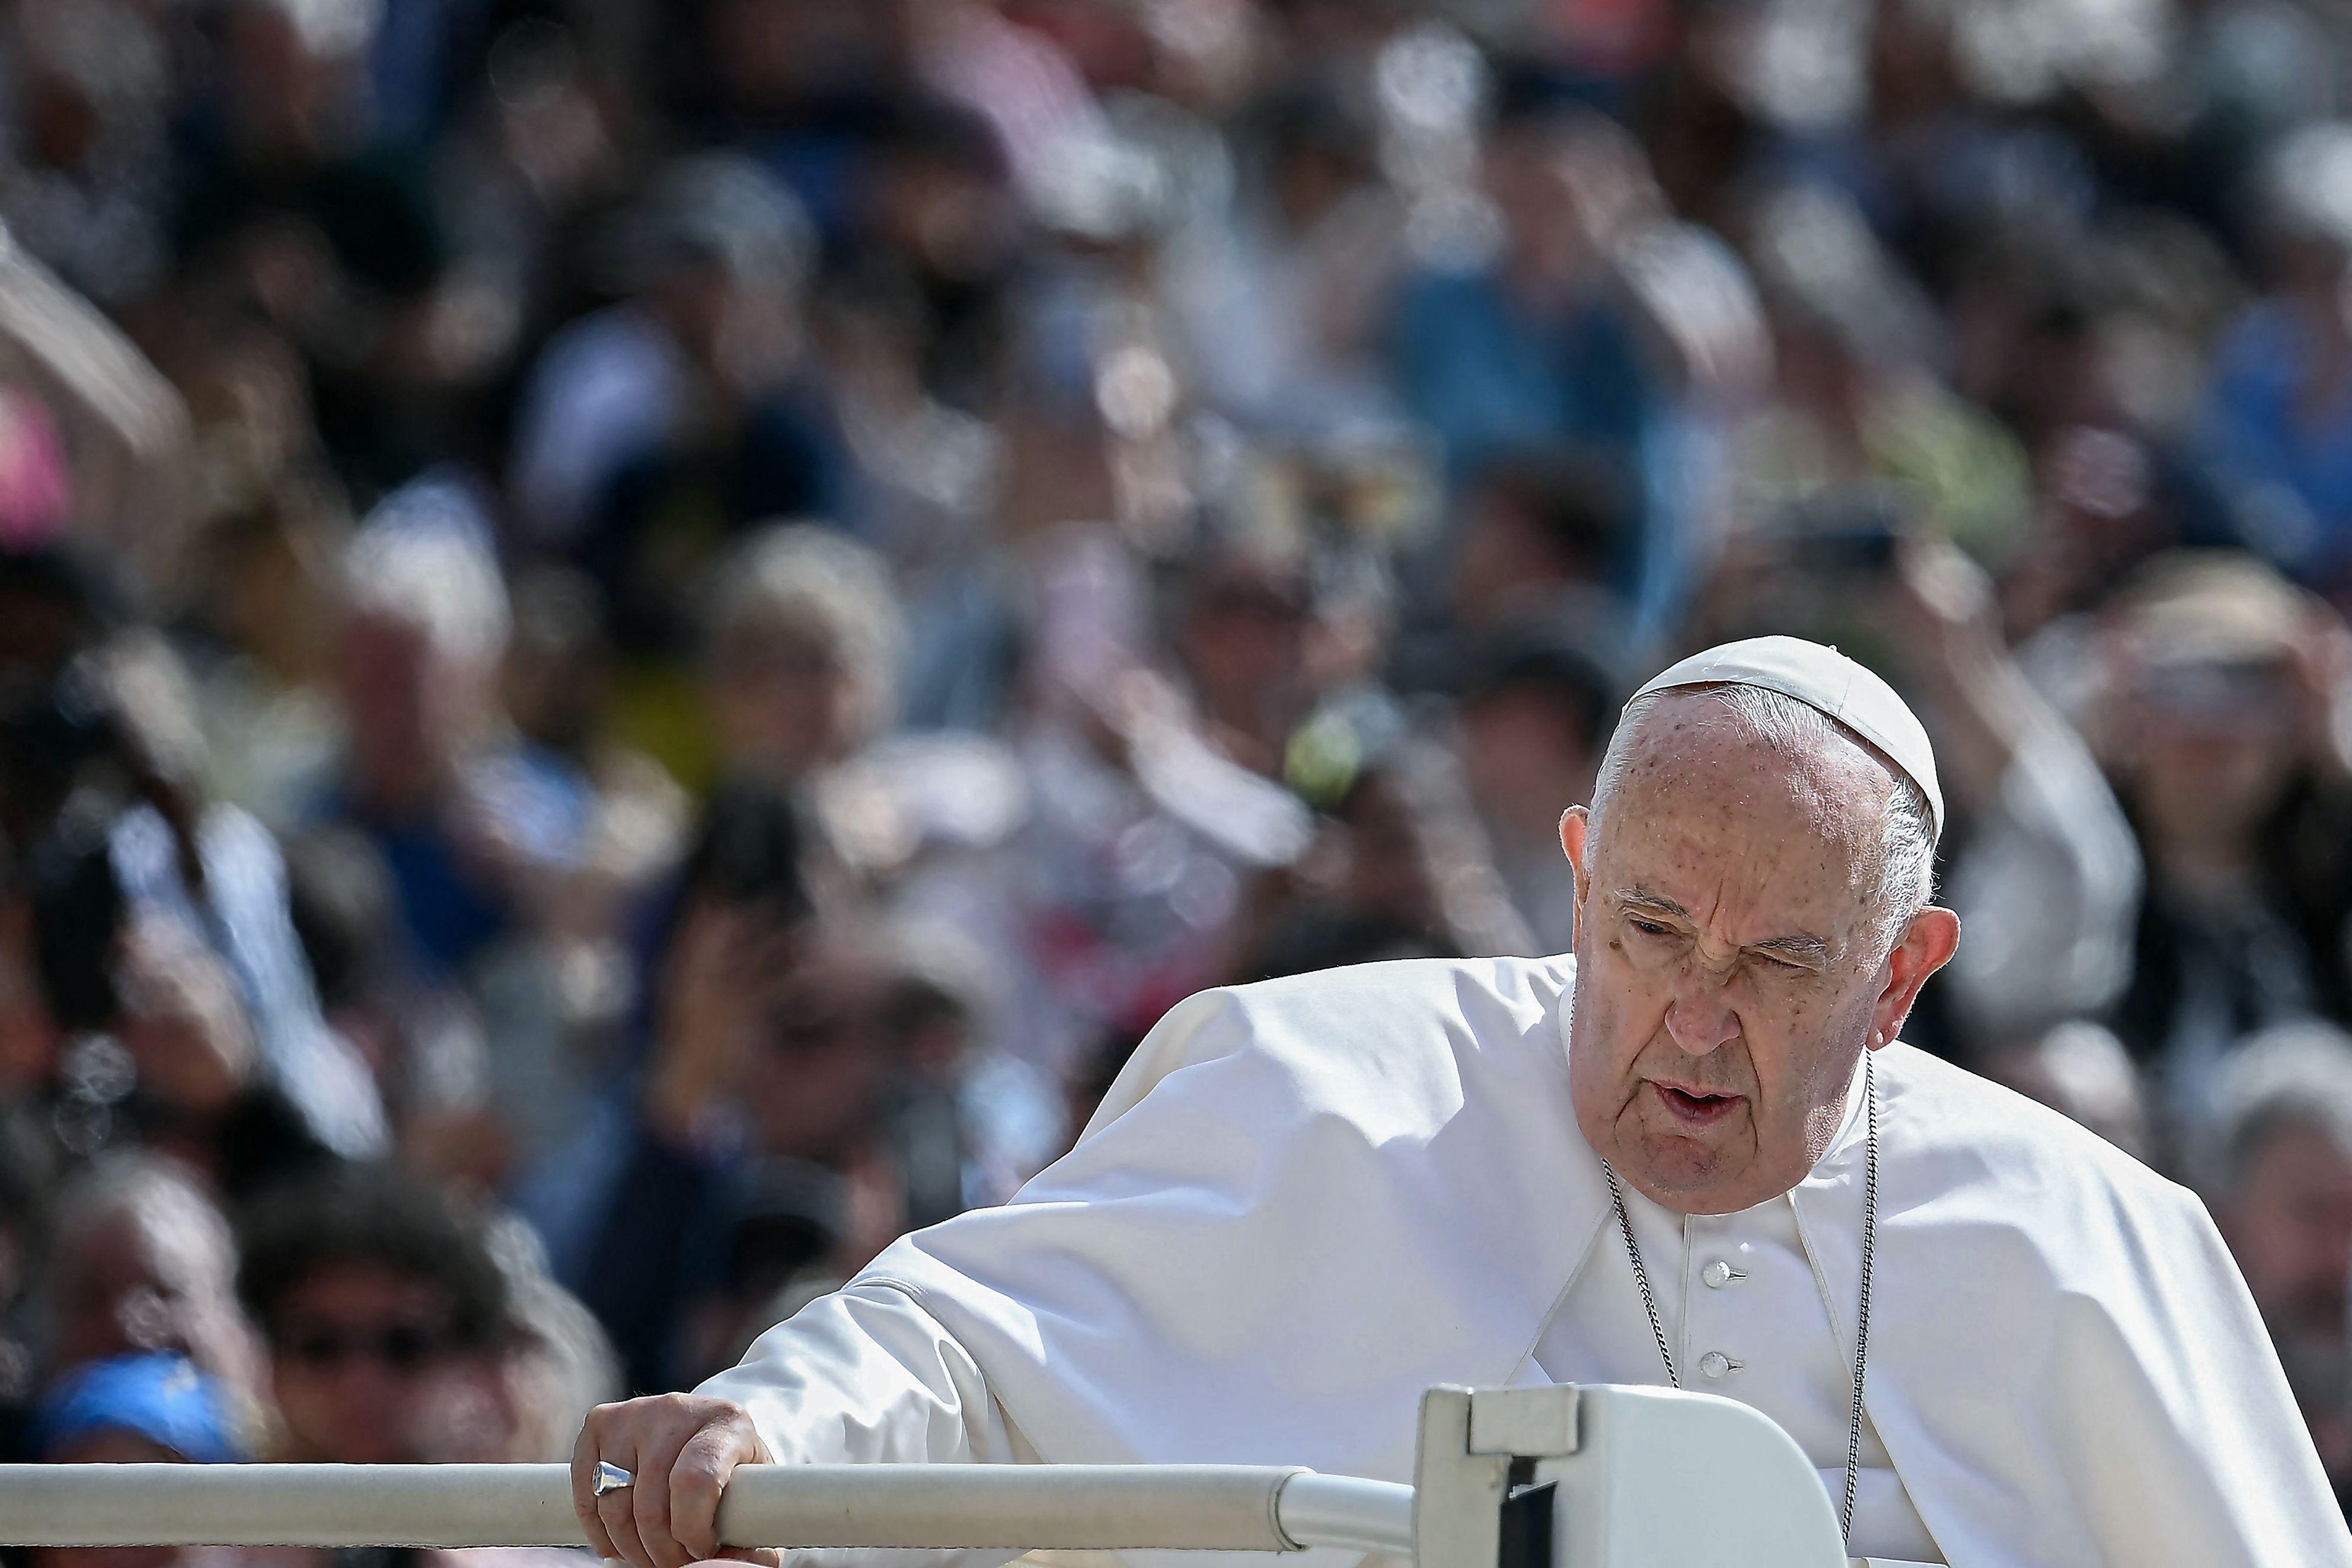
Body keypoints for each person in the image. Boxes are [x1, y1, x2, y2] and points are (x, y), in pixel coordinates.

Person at [572, 635, 2345, 1566]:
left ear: (1905, 978)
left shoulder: (2091, 1243)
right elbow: (967, 1343)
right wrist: (765, 1432)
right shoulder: (1331, 1091)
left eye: (1782, 967)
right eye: (1650, 931)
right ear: (1574, 879)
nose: (1698, 1026)